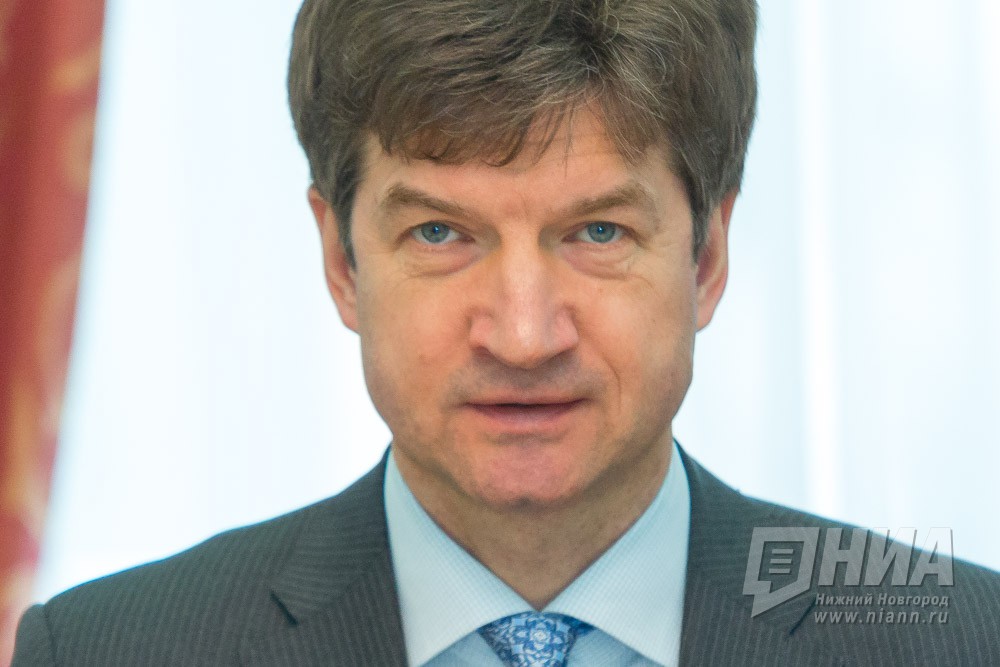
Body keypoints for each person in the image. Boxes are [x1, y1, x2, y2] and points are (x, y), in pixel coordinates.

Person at [12, 0, 1000, 665]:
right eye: (440, 233)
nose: (525, 336)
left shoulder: (961, 639)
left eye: (597, 231)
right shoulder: (106, 651)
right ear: (342, 261)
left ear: (706, 258)